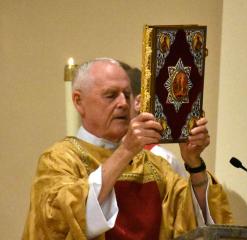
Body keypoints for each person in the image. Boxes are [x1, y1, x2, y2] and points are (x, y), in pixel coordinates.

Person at [22, 57, 233, 240]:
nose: (123, 103)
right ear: (79, 101)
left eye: (126, 94)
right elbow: (60, 222)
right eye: (111, 95)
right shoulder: (59, 159)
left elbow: (196, 224)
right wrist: (125, 151)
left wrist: (194, 164)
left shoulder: (153, 165)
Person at [121, 63, 187, 178]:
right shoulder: (100, 152)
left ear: (138, 102)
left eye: (124, 95)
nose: (118, 103)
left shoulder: (162, 158)